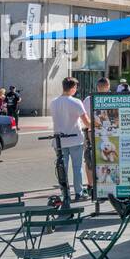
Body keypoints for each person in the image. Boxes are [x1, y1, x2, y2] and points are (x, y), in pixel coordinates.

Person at [50, 77, 87, 205]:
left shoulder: (53, 102)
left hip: (59, 141)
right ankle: (79, 193)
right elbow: (86, 121)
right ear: (73, 88)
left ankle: (64, 193)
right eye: (76, 88)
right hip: (75, 139)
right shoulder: (76, 102)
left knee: (62, 168)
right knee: (77, 168)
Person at [82, 76, 110, 191]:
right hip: (108, 133)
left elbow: (84, 117)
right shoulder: (112, 98)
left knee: (89, 159)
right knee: (106, 157)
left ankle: (91, 185)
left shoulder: (88, 99)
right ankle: (106, 184)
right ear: (108, 87)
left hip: (90, 132)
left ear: (97, 87)